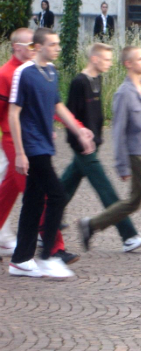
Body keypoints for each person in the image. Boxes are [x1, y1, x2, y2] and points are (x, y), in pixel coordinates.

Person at [78, 46, 141, 263]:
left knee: (133, 202)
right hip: (136, 156)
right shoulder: (123, 94)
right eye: (140, 59)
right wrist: (122, 165)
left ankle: (91, 225)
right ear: (128, 64)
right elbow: (118, 131)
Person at [8, 28, 95, 278]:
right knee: (57, 195)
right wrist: (20, 153)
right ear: (38, 47)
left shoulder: (51, 72)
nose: (58, 48)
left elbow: (57, 105)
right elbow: (14, 113)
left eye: (58, 43)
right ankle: (47, 256)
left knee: (33, 202)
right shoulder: (23, 73)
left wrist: (79, 130)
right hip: (32, 147)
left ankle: (21, 260)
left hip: (45, 145)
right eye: (53, 44)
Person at [60, 43, 141, 253]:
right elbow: (70, 115)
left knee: (65, 185)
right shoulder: (79, 82)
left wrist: (97, 138)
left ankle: (44, 221)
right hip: (83, 147)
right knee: (105, 188)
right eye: (107, 59)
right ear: (94, 59)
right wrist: (79, 141)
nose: (110, 63)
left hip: (94, 143)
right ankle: (128, 234)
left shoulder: (97, 79)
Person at [0, 28, 36, 256]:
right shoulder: (6, 74)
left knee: (10, 188)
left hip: (26, 140)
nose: (35, 49)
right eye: (30, 45)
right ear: (17, 47)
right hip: (12, 141)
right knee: (31, 190)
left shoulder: (30, 70)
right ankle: (51, 243)